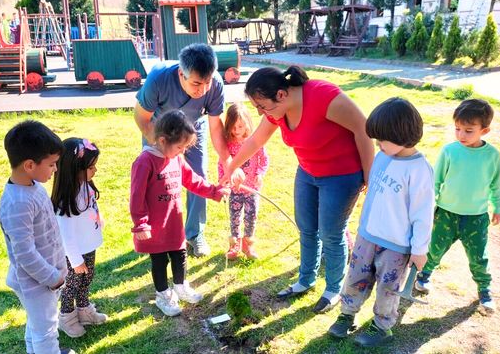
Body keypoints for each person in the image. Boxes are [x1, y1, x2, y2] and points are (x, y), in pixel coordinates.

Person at [220, 66, 374, 314]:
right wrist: (230, 168)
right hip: (307, 172)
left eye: (262, 106)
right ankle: (306, 279)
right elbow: (256, 140)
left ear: (281, 94)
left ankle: (334, 289)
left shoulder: (323, 97)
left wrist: (369, 175)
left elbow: (363, 128)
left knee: (332, 234)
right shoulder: (276, 111)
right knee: (307, 228)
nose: (260, 112)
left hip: (341, 175)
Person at [326, 97, 434, 348]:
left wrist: (419, 250)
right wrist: (362, 227)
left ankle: (382, 326)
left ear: (402, 135)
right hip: (368, 236)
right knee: (355, 277)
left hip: (396, 245)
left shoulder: (419, 170)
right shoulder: (383, 157)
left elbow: (423, 214)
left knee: (388, 287)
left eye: (382, 140)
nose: (377, 144)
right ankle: (347, 315)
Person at [134, 43, 231, 257]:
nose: (203, 89)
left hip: (194, 127)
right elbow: (141, 117)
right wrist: (163, 148)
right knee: (156, 181)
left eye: (207, 83)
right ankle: (152, 233)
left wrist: (228, 162)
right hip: (159, 129)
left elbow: (216, 127)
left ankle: (195, 234)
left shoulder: (215, 84)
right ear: (181, 73)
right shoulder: (158, 78)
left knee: (198, 175)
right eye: (197, 83)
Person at [129, 110, 230, 316]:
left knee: (180, 254)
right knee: (159, 260)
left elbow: (193, 180)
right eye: (179, 147)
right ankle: (163, 295)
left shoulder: (177, 158)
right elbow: (136, 195)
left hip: (173, 221)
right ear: (163, 140)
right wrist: (141, 223)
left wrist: (214, 191)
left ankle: (181, 285)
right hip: (154, 226)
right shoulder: (145, 162)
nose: (182, 151)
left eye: (185, 147)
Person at [415, 99, 500, 315]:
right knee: (434, 249)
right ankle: (423, 276)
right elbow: (436, 181)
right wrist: (430, 203)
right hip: (446, 213)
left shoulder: (492, 155)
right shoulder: (449, 151)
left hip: (476, 217)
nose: (461, 135)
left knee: (478, 256)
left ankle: (485, 291)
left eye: (469, 130)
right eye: (457, 129)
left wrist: (498, 207)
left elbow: (496, 184)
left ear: (485, 130)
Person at [0, 120, 74, 354]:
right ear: (30, 165)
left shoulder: (32, 186)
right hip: (37, 283)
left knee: (38, 322)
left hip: (44, 279)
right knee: (46, 329)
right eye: (51, 165)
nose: (55, 170)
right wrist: (53, 278)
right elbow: (25, 254)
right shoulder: (18, 203)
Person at [51, 138, 108, 338]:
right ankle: (66, 317)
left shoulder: (86, 185)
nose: (95, 171)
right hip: (74, 253)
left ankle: (84, 310)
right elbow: (65, 235)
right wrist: (75, 261)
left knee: (87, 279)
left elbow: (91, 206)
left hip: (88, 245)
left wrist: (98, 220)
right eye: (91, 167)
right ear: (73, 169)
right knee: (71, 284)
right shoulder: (66, 201)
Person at [218, 103, 269, 259]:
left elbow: (264, 159)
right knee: (234, 218)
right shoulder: (228, 145)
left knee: (250, 217)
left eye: (240, 126)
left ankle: (248, 245)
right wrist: (223, 180)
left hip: (251, 189)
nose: (237, 130)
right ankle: (235, 246)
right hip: (235, 190)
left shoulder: (254, 142)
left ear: (247, 123)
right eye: (233, 127)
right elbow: (221, 163)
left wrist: (260, 174)